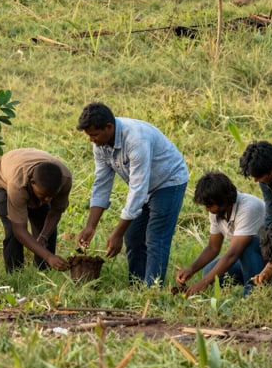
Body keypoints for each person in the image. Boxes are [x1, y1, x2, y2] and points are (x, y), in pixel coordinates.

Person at [76, 101, 189, 286]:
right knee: (133, 236)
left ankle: (152, 289)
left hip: (168, 181)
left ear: (109, 127)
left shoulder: (136, 140)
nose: (91, 140)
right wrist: (90, 227)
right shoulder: (100, 145)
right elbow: (102, 184)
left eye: (94, 135)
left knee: (156, 237)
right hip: (144, 185)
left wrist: (117, 233)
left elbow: (138, 190)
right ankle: (136, 286)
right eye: (89, 135)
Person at [176, 172, 266, 296]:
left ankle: (253, 293)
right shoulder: (216, 211)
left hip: (269, 261)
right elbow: (213, 247)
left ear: (224, 199)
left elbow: (233, 253)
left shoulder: (249, 207)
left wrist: (204, 283)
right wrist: (191, 269)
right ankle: (250, 278)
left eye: (209, 205)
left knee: (246, 246)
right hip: (246, 260)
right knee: (209, 271)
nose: (207, 210)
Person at [0, 148, 72, 273]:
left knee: (47, 227)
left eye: (52, 195)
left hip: (31, 175)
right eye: (44, 195)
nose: (48, 199)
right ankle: (15, 274)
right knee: (12, 231)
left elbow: (56, 211)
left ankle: (44, 272)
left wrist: (44, 236)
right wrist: (49, 256)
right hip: (3, 182)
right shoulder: (17, 186)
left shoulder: (64, 179)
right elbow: (19, 230)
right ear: (33, 183)